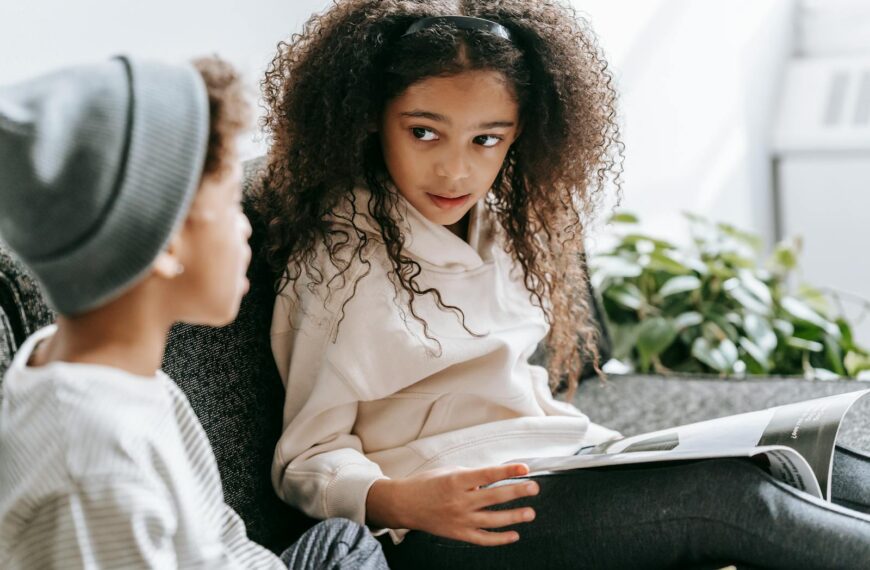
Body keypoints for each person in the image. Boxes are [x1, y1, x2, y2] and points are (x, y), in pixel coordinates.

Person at [257, 1, 870, 567]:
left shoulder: (504, 230)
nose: (456, 169)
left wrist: (618, 452)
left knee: (809, 461)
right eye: (423, 132)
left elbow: (509, 388)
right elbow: (307, 458)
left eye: (486, 139)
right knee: (730, 497)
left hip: (551, 467)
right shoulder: (338, 266)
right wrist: (402, 502)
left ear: (518, 134)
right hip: (449, 525)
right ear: (372, 120)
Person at [0, 55, 387, 569]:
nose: (246, 226)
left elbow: (219, 538)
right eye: (228, 204)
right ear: (162, 243)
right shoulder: (93, 472)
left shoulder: (104, 369)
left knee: (344, 540)